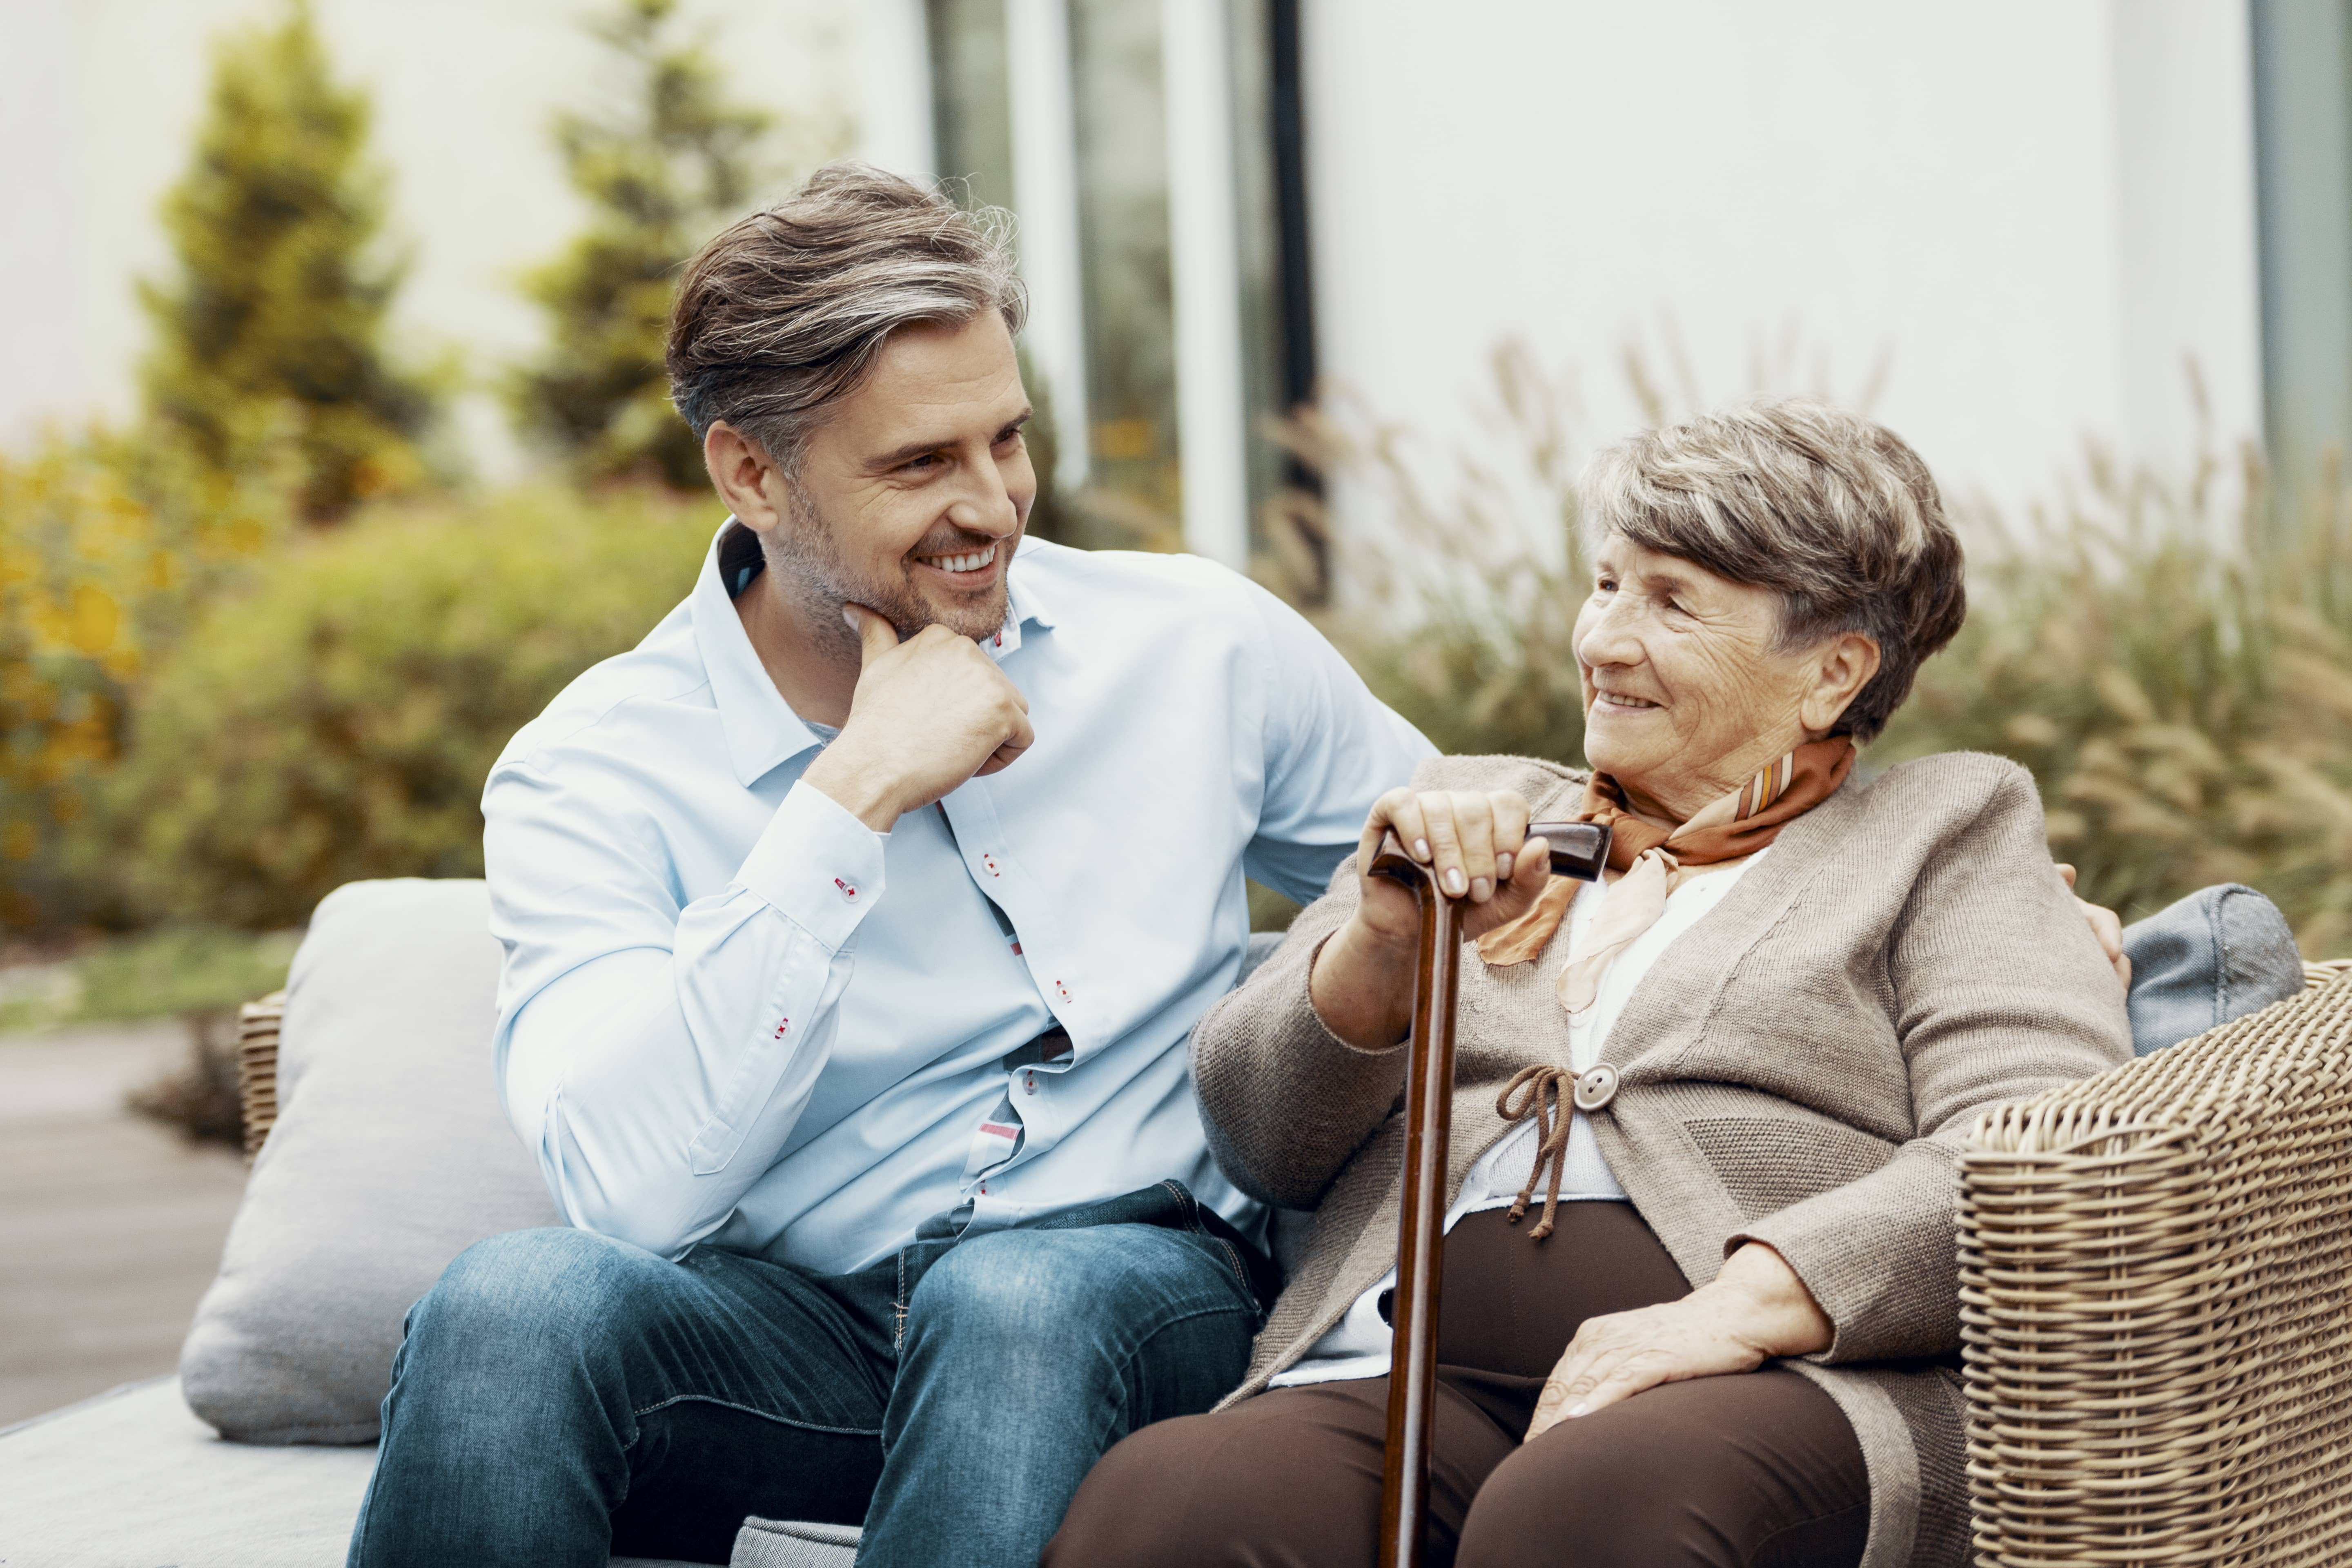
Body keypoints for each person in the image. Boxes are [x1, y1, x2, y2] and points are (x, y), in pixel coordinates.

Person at [343, 163, 1435, 1568]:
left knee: (1022, 1300)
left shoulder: (1198, 645)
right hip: (796, 1329)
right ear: (751, 472)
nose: (994, 506)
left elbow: (1453, 840)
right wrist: (847, 798)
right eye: (920, 465)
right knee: (515, 1306)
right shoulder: (594, 766)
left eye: (1008, 440)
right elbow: (628, 1194)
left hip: (1132, 1289)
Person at [1047, 400, 2143, 1568]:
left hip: (1778, 1385)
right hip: (1411, 1379)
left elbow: (2033, 1152)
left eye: (1672, 602)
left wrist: (1724, 1314)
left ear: (1834, 671)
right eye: (1606, 584)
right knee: (1172, 1506)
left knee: (1590, 1512)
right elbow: (1262, 1141)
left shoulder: (1947, 835)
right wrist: (1382, 947)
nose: (1604, 639)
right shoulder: (1476, 808)